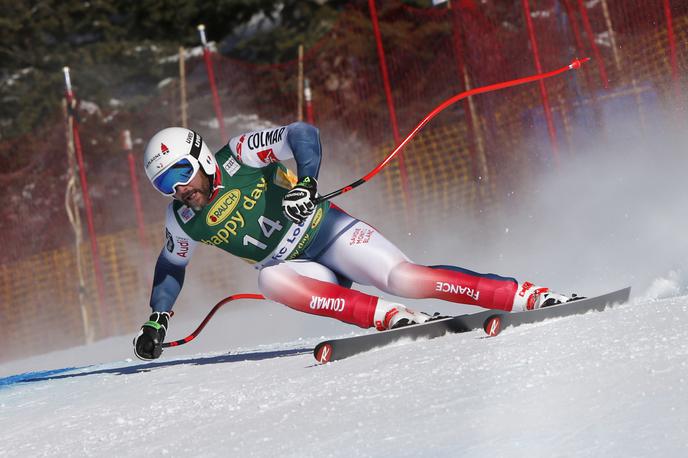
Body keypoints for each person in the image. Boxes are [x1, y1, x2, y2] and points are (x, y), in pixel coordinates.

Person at [134, 122, 571, 360]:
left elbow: (301, 133)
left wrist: (306, 182)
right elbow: (172, 266)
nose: (177, 189)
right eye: (163, 184)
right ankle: (392, 318)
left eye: (178, 174)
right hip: (300, 267)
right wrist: (157, 319)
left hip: (328, 231)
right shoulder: (182, 219)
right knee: (271, 281)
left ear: (203, 158)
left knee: (404, 278)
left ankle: (526, 295)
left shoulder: (240, 153)